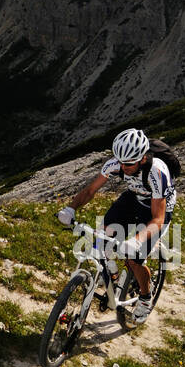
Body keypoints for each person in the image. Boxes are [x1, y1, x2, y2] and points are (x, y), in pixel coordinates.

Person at [55, 128, 174, 323]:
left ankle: (145, 297)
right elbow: (91, 190)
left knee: (134, 259)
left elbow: (157, 219)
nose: (123, 167)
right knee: (101, 239)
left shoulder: (157, 172)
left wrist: (136, 240)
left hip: (156, 208)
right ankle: (112, 275)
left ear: (143, 158)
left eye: (128, 164)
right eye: (120, 162)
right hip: (133, 198)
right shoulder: (117, 164)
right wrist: (71, 208)